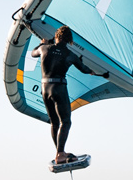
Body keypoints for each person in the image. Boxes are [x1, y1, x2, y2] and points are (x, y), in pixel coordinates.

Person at [26, 23, 109, 164]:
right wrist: (95, 72)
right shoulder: (71, 55)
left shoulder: (44, 48)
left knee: (54, 123)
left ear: (56, 37)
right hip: (59, 88)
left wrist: (42, 43)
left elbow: (34, 53)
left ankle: (60, 152)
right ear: (70, 40)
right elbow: (84, 69)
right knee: (66, 122)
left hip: (45, 88)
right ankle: (60, 154)